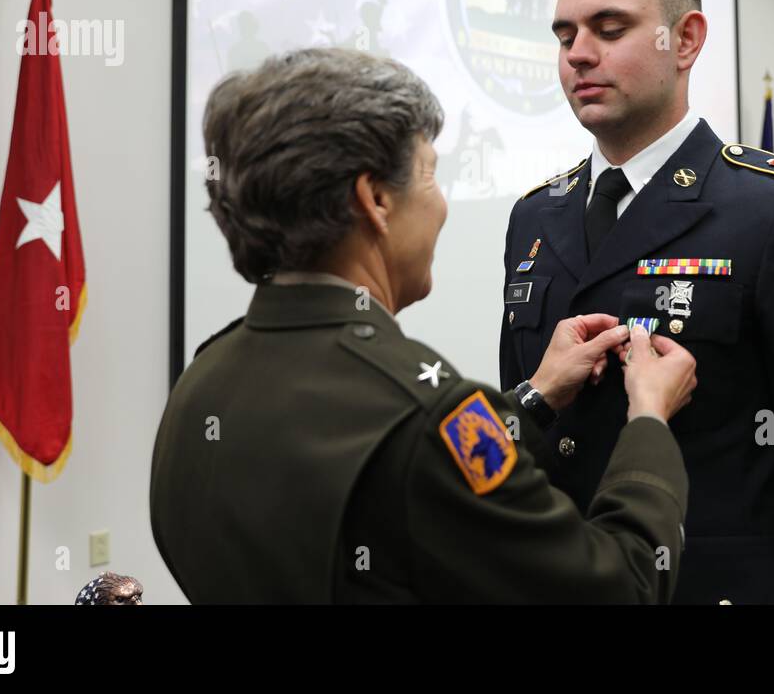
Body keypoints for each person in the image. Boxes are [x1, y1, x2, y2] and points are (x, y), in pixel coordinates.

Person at [149, 48, 698, 604]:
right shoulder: (428, 414)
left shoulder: (202, 382)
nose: (441, 207)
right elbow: (621, 588)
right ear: (377, 199)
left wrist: (537, 395)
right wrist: (649, 420)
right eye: (431, 176)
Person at [499, 0, 774, 604]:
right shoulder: (536, 215)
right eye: (565, 34)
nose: (578, 54)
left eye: (610, 28)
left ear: (684, 41)